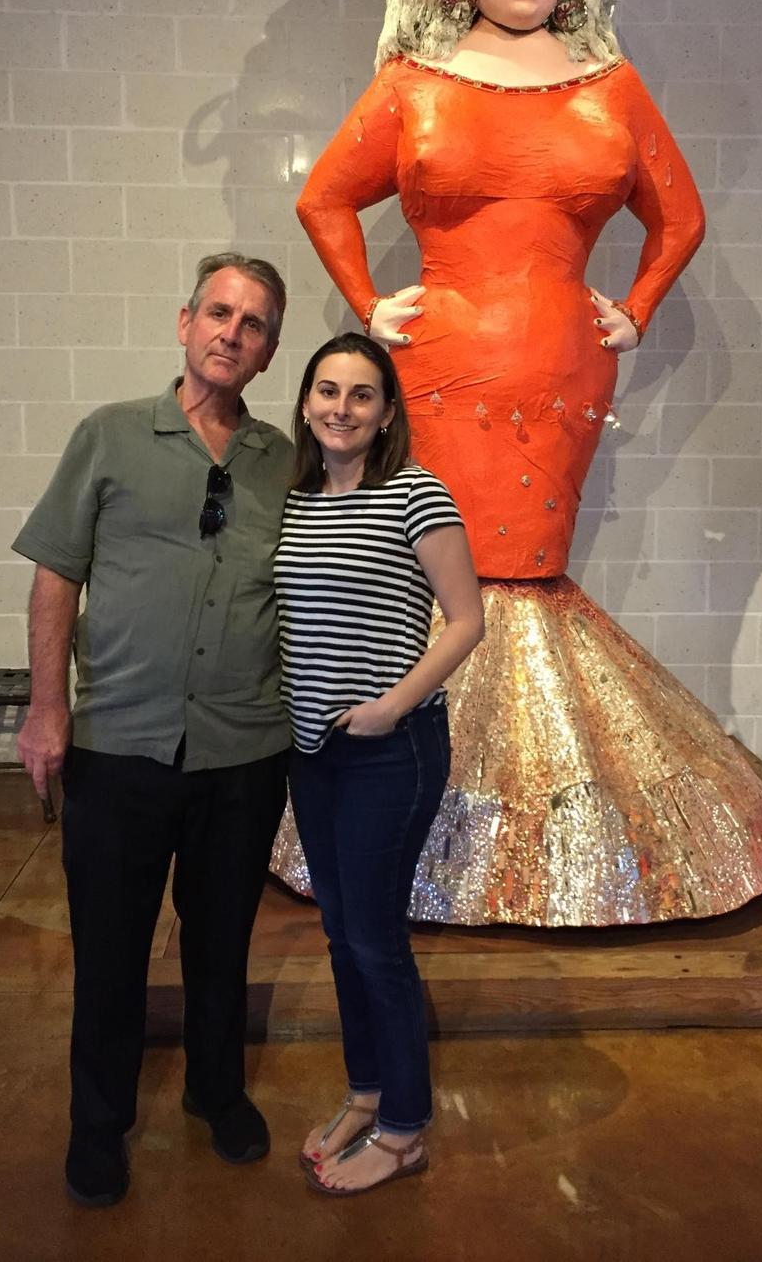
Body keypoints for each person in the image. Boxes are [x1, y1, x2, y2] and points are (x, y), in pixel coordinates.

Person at [270, 0, 762, 927]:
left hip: (563, 365)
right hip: (440, 364)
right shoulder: (413, 79)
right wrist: (374, 303)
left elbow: (681, 213)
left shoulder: (610, 85)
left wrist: (638, 308)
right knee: (444, 571)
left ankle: (542, 827)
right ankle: (420, 815)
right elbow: (323, 197)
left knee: (524, 571)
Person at [13, 252, 293, 1207]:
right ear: (184, 323)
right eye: (219, 311)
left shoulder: (282, 463)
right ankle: (99, 1121)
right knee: (111, 945)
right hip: (119, 744)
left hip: (244, 750)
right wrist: (49, 706)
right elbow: (57, 571)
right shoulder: (111, 436)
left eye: (253, 324)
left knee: (223, 938)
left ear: (267, 352)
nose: (231, 332)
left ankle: (217, 1092)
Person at [274, 332, 484, 1195]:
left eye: (362, 395)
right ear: (305, 402)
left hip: (389, 751)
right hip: (312, 751)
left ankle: (405, 1129)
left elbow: (468, 619)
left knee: (374, 936)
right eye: (327, 390)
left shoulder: (415, 495)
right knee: (338, 932)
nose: (341, 408)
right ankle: (367, 1090)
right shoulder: (292, 500)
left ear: (387, 411)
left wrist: (395, 703)